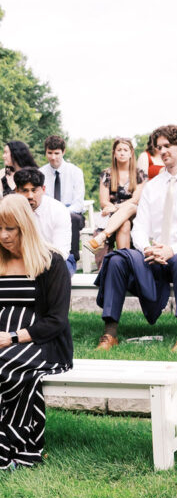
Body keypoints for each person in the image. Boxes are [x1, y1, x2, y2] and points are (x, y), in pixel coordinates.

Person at [94, 125, 177, 353]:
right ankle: (109, 333)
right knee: (118, 259)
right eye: (159, 147)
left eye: (167, 146)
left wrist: (173, 250)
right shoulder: (152, 187)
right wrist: (147, 249)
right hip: (155, 255)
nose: (162, 151)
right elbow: (140, 228)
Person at [0, 194, 72, 471]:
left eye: (10, 229)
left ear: (25, 226)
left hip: (41, 340)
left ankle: (12, 443)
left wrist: (12, 337)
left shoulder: (51, 261)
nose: (4, 236)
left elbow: (56, 319)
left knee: (6, 366)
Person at [84, 138, 147, 254]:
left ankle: (102, 236)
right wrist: (115, 209)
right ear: (114, 153)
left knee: (131, 206)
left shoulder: (139, 174)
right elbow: (104, 202)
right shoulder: (107, 174)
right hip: (112, 214)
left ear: (131, 153)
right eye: (119, 150)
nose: (122, 153)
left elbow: (135, 200)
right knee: (125, 223)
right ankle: (125, 260)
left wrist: (116, 207)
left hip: (135, 214)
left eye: (125, 150)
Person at [14, 168, 75, 275]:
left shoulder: (58, 210)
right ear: (16, 191)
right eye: (25, 191)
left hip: (54, 259)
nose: (30, 196)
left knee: (59, 270)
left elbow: (61, 252)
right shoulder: (11, 210)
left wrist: (36, 263)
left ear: (43, 189)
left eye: (34, 190)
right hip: (20, 260)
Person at [39, 135, 86, 269]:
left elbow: (78, 203)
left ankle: (71, 260)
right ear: (45, 152)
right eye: (50, 153)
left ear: (63, 152)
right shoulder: (40, 173)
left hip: (72, 212)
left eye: (57, 153)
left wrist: (61, 212)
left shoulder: (75, 172)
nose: (53, 157)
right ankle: (44, 258)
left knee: (73, 218)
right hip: (47, 210)